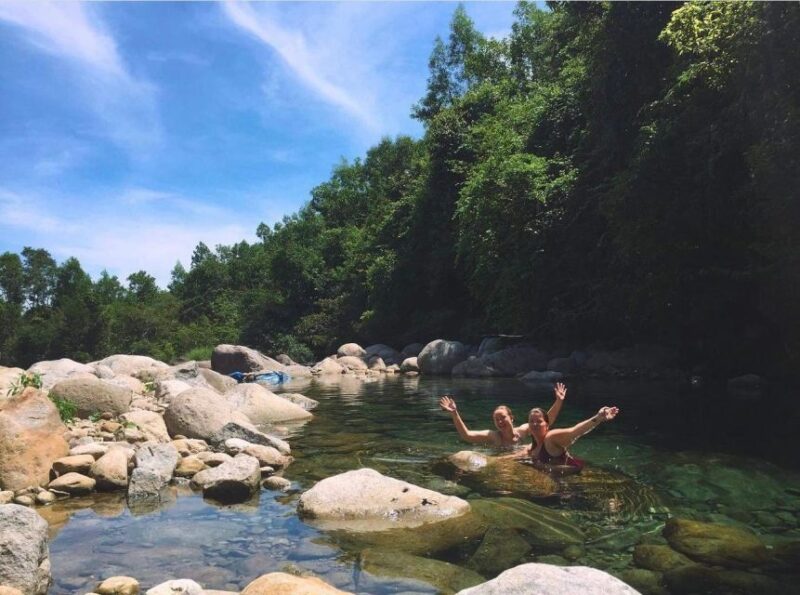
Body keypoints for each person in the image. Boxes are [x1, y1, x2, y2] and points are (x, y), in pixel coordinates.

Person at [439, 382, 567, 449]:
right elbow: (466, 435)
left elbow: (545, 421)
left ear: (511, 418)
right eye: (497, 419)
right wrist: (455, 413)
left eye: (503, 418)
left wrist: (559, 401)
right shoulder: (493, 436)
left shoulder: (523, 431)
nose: (500, 421)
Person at [525, 404, 619, 473]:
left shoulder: (551, 438)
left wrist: (598, 418)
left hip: (578, 478)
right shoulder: (530, 448)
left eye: (539, 421)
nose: (535, 424)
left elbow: (575, 431)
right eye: (531, 421)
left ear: (547, 425)